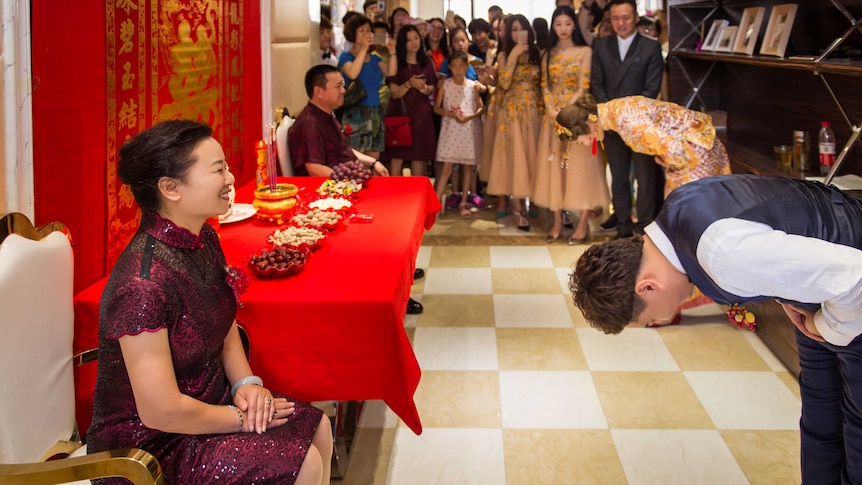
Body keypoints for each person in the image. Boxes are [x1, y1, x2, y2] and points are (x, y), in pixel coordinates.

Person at [570, 174, 862, 484]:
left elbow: (855, 279)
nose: (660, 320)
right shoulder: (677, 211)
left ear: (647, 287)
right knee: (820, 417)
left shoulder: (721, 254)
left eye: (650, 319)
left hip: (850, 298)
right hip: (823, 299)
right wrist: (785, 291)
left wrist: (824, 326)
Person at [87, 120, 333, 485]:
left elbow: (224, 324)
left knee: (320, 428)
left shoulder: (203, 240)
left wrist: (246, 384)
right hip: (150, 449)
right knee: (304, 463)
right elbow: (161, 411)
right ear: (170, 188)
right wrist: (240, 417)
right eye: (218, 169)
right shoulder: (142, 283)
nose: (231, 178)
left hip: (210, 406)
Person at [532, 6, 608, 245]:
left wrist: (565, 112)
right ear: (553, 27)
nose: (563, 29)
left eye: (567, 23)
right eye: (558, 24)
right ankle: (556, 221)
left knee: (579, 170)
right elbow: (544, 86)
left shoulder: (585, 51)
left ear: (574, 25)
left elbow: (582, 86)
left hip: (576, 118)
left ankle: (582, 223)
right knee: (554, 168)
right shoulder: (548, 53)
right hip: (552, 119)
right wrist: (552, 109)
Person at [556, 94, 730, 198]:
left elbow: (675, 149)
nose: (587, 143)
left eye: (582, 141)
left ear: (589, 123)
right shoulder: (614, 109)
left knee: (687, 210)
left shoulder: (626, 122)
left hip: (695, 153)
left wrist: (668, 163)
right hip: (698, 143)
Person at [590, 0, 664, 239]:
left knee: (645, 179)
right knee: (619, 178)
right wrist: (612, 117)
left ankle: (645, 230)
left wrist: (630, 120)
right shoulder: (601, 46)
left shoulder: (650, 47)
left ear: (636, 18)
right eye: (616, 18)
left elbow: (651, 89)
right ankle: (622, 229)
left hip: (641, 126)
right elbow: (597, 85)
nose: (621, 23)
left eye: (626, 17)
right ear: (609, 20)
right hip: (612, 126)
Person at [485, 14, 543, 231]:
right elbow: (505, 82)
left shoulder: (537, 53)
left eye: (522, 29)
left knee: (533, 158)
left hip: (535, 112)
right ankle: (518, 207)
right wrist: (514, 55)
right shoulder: (503, 54)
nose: (518, 34)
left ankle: (535, 199)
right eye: (514, 30)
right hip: (512, 113)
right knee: (515, 159)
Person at [289, 64, 389, 178]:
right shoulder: (310, 124)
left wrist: (373, 162)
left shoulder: (327, 115)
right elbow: (315, 168)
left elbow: (343, 148)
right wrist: (351, 179)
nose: (343, 91)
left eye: (342, 85)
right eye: (338, 86)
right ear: (319, 92)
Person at [339, 14, 397, 161]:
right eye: (362, 30)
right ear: (353, 33)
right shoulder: (346, 56)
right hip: (355, 110)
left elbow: (391, 72)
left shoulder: (375, 58)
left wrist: (392, 52)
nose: (366, 34)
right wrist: (364, 49)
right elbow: (352, 73)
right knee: (355, 156)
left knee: (374, 156)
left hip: (375, 111)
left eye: (368, 30)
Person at [434, 51, 485, 218]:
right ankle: (436, 203)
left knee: (468, 167)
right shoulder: (445, 84)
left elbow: (481, 107)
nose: (458, 69)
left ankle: (464, 200)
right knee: (447, 167)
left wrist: (470, 116)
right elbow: (437, 108)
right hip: (451, 129)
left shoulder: (472, 85)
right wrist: (452, 115)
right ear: (449, 67)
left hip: (468, 130)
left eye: (461, 66)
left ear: (466, 66)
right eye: (454, 66)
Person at [383, 25, 437, 177]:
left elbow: (431, 88)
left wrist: (422, 87)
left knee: (419, 156)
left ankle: (416, 195)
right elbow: (394, 92)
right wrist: (408, 84)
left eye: (416, 38)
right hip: (400, 111)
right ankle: (394, 195)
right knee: (397, 155)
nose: (414, 42)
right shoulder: (397, 63)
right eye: (408, 40)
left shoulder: (427, 62)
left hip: (421, 112)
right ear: (402, 43)